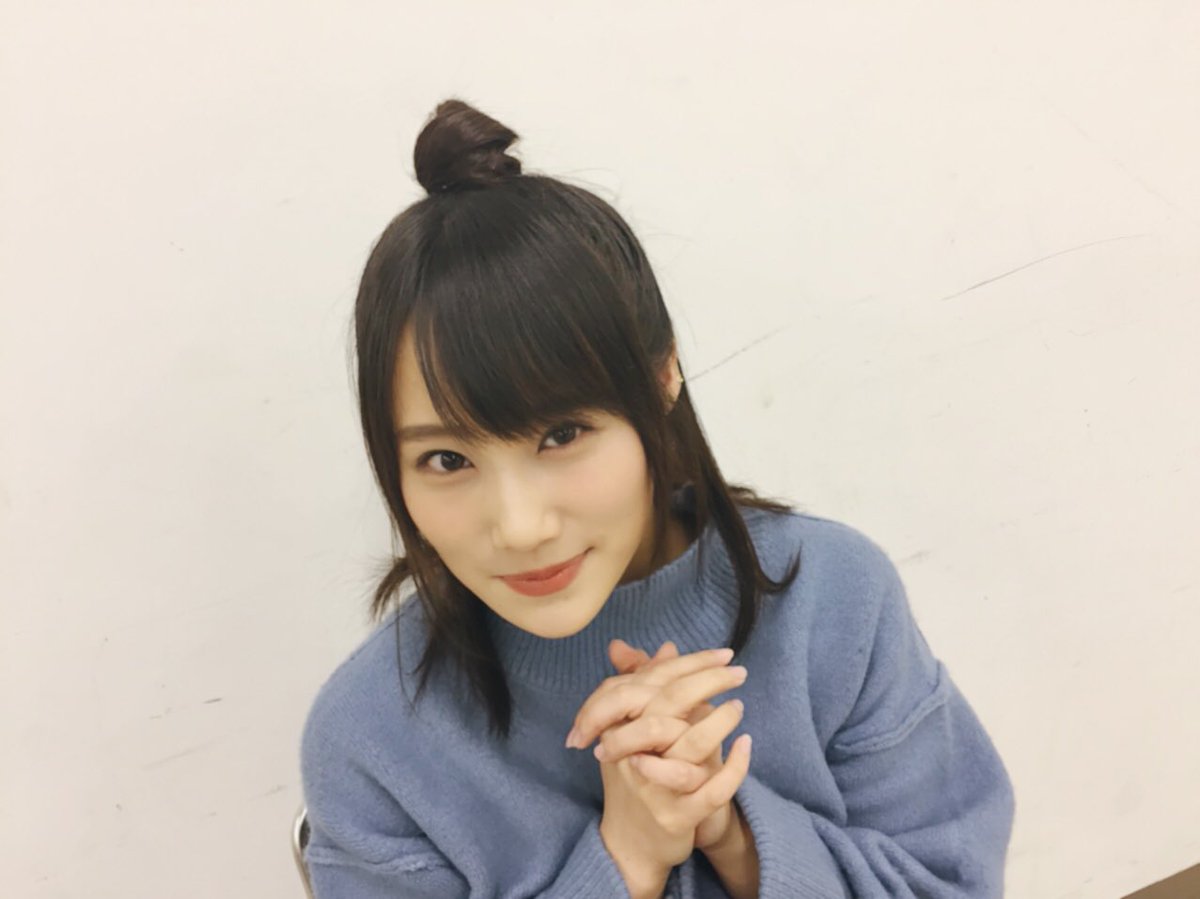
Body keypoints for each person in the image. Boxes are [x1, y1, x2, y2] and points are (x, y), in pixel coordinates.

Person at [298, 97, 1015, 899]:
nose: (521, 526)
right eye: (446, 458)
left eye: (562, 434)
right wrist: (626, 858)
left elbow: (952, 883)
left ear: (662, 376)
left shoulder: (835, 601)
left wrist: (732, 832)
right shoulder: (370, 740)